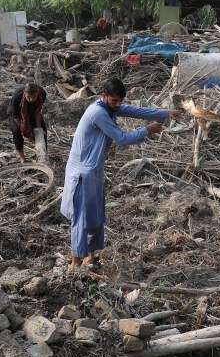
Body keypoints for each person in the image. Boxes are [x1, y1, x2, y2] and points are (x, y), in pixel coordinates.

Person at [60, 77, 184, 271]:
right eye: (115, 101)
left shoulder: (110, 108)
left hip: (95, 170)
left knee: (97, 214)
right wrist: (147, 130)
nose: (118, 105)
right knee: (82, 216)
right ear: (104, 96)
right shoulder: (97, 113)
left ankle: (90, 257)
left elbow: (135, 111)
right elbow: (122, 139)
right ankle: (75, 263)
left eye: (120, 101)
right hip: (82, 173)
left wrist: (166, 113)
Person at [8, 82, 48, 164]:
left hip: (32, 111)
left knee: (42, 131)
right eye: (29, 97)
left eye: (34, 97)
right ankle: (22, 157)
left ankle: (42, 156)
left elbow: (38, 111)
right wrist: (27, 133)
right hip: (17, 114)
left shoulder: (42, 94)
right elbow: (16, 117)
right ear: (25, 93)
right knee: (16, 131)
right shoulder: (17, 97)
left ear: (37, 93)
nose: (32, 99)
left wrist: (38, 129)